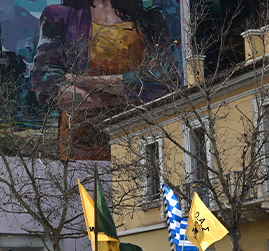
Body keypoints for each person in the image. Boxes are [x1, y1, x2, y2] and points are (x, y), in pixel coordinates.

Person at [30, 0, 178, 160]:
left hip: (139, 135)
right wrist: (126, 95)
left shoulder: (151, 21)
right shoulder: (59, 16)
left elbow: (167, 78)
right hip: (82, 140)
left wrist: (85, 82)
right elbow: (46, 81)